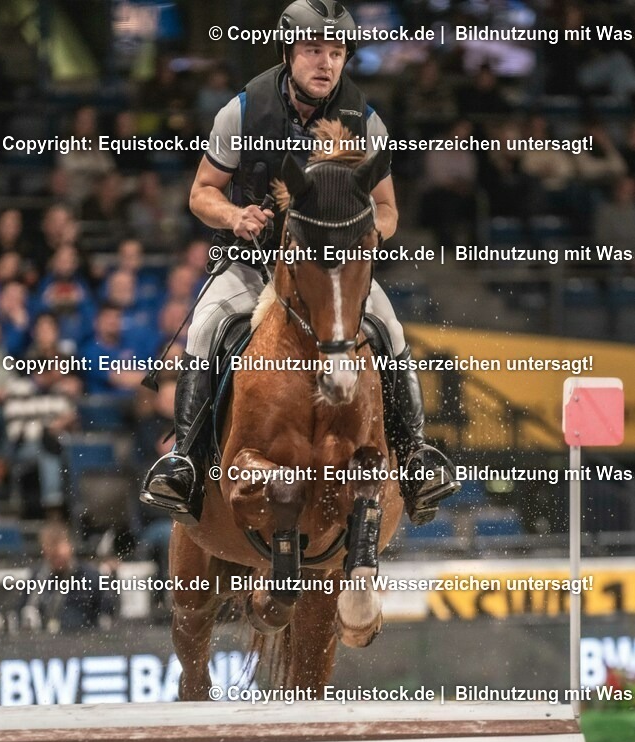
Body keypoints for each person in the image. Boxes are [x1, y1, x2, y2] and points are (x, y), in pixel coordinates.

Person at [140, 0, 457, 525]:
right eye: (314, 50)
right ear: (289, 51)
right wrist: (234, 215)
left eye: (336, 52)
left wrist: (366, 234)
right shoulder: (241, 111)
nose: (326, 63)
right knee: (204, 331)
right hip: (252, 267)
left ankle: (419, 458)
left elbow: (389, 209)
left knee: (392, 330)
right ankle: (186, 466)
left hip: (331, 273)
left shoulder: (365, 121)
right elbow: (201, 192)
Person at [19, 521, 114, 633]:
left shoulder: (90, 577)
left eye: (60, 556)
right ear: (44, 553)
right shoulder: (37, 577)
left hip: (83, 641)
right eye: (52, 557)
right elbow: (22, 612)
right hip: (44, 642)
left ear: (70, 547)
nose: (57, 561)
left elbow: (107, 614)